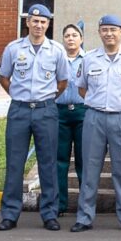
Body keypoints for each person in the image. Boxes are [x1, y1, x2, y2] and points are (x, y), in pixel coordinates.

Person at [70, 15, 121, 232]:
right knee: (90, 169)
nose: (109, 34)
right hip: (95, 118)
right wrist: (98, 104)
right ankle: (84, 218)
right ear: (99, 33)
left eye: (113, 29)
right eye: (104, 30)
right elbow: (82, 88)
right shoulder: (89, 58)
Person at [0, 4, 70, 232]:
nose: (39, 25)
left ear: (48, 24)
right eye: (35, 21)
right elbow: (4, 78)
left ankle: (49, 214)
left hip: (45, 110)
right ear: (27, 22)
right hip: (19, 110)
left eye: (43, 22)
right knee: (15, 162)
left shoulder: (56, 50)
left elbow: (62, 82)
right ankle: (10, 214)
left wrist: (45, 99)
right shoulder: (13, 48)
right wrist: (20, 96)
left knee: (48, 162)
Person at [55, 23, 87, 216]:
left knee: (83, 160)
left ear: (81, 39)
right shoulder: (57, 59)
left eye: (75, 35)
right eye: (67, 35)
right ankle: (59, 205)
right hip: (60, 113)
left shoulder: (88, 60)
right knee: (60, 161)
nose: (71, 39)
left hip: (83, 112)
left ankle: (85, 205)